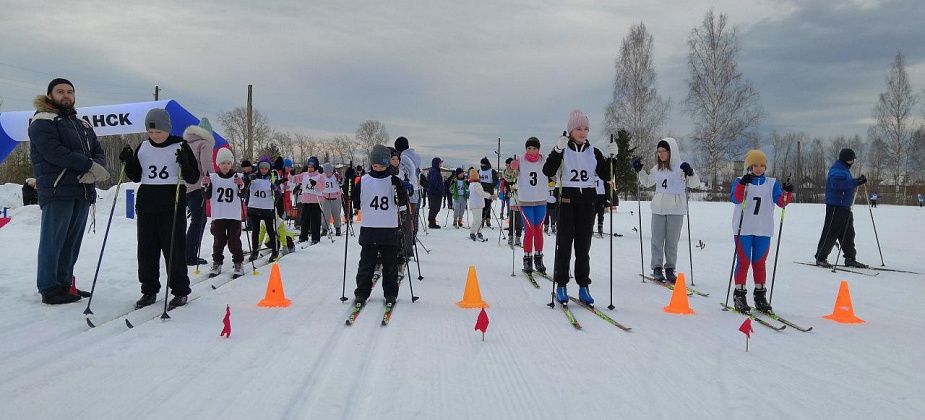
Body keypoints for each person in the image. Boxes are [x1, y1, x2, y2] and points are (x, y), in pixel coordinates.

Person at [29, 78, 108, 304]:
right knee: (53, 241)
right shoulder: (43, 121)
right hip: (57, 190)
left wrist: (96, 169)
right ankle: (49, 288)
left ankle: (64, 283)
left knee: (71, 242)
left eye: (70, 92)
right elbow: (54, 152)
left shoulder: (82, 124)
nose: (66, 95)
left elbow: (97, 150)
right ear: (50, 95)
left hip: (82, 190)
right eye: (60, 91)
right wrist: (88, 165)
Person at [121, 108, 199, 309]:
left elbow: (193, 177)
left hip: (171, 204)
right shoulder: (144, 147)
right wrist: (128, 161)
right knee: (146, 250)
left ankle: (180, 291)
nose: (155, 136)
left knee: (174, 249)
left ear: (168, 129)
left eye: (159, 132)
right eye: (151, 132)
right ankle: (149, 290)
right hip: (147, 204)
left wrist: (185, 164)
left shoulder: (180, 145)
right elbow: (137, 176)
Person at [542, 109, 618, 305]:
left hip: (587, 205)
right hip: (566, 204)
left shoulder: (594, 152)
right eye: (578, 128)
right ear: (570, 130)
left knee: (583, 248)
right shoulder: (563, 150)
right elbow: (548, 170)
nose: (583, 132)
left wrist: (613, 159)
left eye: (586, 128)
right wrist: (557, 151)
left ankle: (584, 286)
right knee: (564, 247)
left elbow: (606, 175)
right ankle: (561, 285)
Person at [729, 150, 793, 313]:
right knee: (743, 262)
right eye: (754, 165)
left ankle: (760, 296)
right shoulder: (740, 180)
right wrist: (743, 183)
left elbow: (781, 202)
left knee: (759, 263)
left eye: (761, 165)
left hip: (763, 229)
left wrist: (787, 192)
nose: (758, 168)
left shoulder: (772, 183)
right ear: (749, 166)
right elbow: (736, 198)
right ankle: (739, 295)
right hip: (743, 229)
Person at [632, 138, 700, 283]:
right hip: (658, 208)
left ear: (671, 151)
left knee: (672, 241)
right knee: (657, 239)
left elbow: (695, 183)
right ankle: (657, 267)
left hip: (676, 209)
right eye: (659, 152)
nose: (661, 154)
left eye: (664, 151)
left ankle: (670, 268)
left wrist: (691, 172)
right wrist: (639, 171)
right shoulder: (657, 168)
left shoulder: (681, 167)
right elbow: (647, 182)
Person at [353, 145, 409, 305]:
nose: (378, 168)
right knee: (366, 264)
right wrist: (352, 194)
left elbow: (402, 203)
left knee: (390, 265)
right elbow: (356, 202)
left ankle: (390, 293)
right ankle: (362, 293)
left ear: (387, 164)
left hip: (389, 229)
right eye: (375, 165)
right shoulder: (364, 180)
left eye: (382, 165)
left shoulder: (394, 181)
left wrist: (401, 191)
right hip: (370, 228)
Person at [814, 148, 868, 268]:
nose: (853, 162)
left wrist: (856, 182)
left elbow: (846, 184)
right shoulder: (837, 169)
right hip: (835, 206)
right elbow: (836, 185)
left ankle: (850, 258)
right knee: (831, 232)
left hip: (844, 206)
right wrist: (856, 182)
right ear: (847, 159)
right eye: (852, 159)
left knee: (848, 233)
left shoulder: (844, 170)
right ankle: (821, 257)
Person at [201, 148, 245, 278]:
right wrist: (205, 186)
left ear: (231, 164)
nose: (225, 166)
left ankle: (238, 262)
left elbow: (243, 195)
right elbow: (206, 196)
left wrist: (241, 185)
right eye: (222, 163)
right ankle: (217, 262)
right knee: (218, 241)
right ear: (218, 164)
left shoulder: (238, 177)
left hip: (233, 216)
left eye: (228, 163)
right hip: (218, 215)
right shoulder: (213, 177)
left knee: (234, 241)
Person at [511, 137, 549, 274]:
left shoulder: (545, 159)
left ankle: (538, 259)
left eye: (534, 148)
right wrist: (511, 168)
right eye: (529, 148)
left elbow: (556, 171)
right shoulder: (520, 160)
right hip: (526, 201)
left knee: (539, 230)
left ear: (539, 149)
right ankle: (527, 259)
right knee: (529, 230)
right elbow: (509, 177)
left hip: (541, 200)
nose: (531, 151)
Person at [182, 118, 215, 266]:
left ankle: (186, 252)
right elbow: (207, 166)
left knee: (194, 220)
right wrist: (213, 181)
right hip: (199, 186)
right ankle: (189, 255)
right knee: (199, 220)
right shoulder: (204, 143)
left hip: (185, 186)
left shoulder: (186, 143)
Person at [244, 157, 280, 260]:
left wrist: (275, 189)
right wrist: (248, 179)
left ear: (269, 169)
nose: (263, 170)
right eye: (261, 168)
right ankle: (254, 251)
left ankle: (275, 250)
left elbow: (279, 193)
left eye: (265, 168)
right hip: (255, 207)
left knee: (270, 229)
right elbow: (244, 184)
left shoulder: (271, 178)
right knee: (255, 230)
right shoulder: (254, 176)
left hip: (267, 208)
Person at [394, 137, 421, 235]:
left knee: (407, 216)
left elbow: (406, 173)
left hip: (408, 189)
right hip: (414, 188)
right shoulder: (414, 157)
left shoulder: (404, 157)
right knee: (413, 215)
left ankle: (408, 238)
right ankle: (413, 236)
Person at [294, 157, 323, 244]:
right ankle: (303, 236)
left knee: (315, 220)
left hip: (316, 201)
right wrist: (291, 174)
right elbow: (294, 179)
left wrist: (316, 184)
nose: (310, 169)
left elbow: (322, 187)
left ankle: (315, 237)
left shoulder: (320, 176)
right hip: (305, 200)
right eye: (309, 167)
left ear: (316, 167)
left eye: (312, 167)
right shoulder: (304, 175)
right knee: (304, 219)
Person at [468, 169, 496, 241]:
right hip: (476, 204)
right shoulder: (476, 184)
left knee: (479, 219)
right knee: (477, 220)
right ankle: (472, 233)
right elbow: (481, 193)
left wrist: (487, 194)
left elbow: (481, 192)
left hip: (477, 204)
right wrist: (490, 196)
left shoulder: (472, 184)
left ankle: (479, 232)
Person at [501, 157, 523, 246]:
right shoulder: (510, 174)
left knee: (519, 221)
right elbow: (506, 178)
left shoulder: (522, 173)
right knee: (512, 220)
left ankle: (518, 237)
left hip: (521, 200)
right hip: (512, 199)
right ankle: (510, 237)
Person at [320, 162, 343, 236]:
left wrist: (340, 180)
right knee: (325, 215)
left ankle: (338, 228)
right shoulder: (322, 176)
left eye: (329, 172)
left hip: (335, 198)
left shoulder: (336, 176)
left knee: (336, 214)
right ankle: (324, 229)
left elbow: (341, 183)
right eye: (326, 172)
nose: (327, 174)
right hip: (325, 198)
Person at [478, 157, 499, 228]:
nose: (482, 165)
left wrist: (491, 186)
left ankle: (488, 219)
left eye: (483, 164)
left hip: (489, 191)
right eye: (481, 164)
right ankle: (482, 219)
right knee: (482, 206)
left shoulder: (492, 171)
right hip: (481, 192)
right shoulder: (479, 171)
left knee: (488, 206)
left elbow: (496, 180)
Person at [426, 157, 445, 228]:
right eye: (440, 163)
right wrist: (440, 189)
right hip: (434, 193)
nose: (441, 164)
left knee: (436, 208)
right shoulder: (434, 171)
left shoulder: (436, 170)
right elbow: (434, 183)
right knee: (434, 208)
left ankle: (432, 221)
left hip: (436, 193)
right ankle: (431, 222)